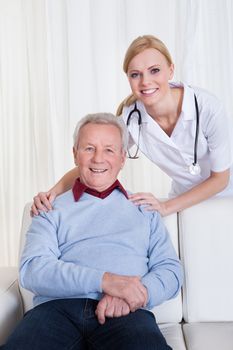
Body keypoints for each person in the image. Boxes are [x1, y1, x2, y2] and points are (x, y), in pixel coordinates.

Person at [1, 113, 182, 350]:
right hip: (55, 312)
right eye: (89, 148)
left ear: (122, 158)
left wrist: (134, 294)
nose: (98, 158)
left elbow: (171, 271)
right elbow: (33, 270)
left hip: (125, 312)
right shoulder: (49, 208)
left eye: (109, 150)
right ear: (75, 154)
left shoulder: (145, 210)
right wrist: (106, 281)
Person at [31, 35, 233, 217]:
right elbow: (95, 163)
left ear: (170, 70)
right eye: (135, 74)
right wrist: (52, 193)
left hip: (226, 196)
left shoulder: (207, 107)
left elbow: (220, 179)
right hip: (183, 201)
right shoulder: (130, 119)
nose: (145, 82)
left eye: (154, 70)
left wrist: (166, 207)